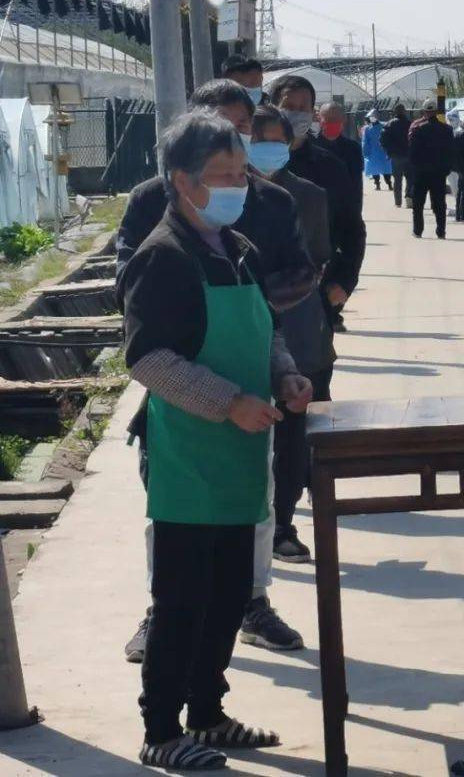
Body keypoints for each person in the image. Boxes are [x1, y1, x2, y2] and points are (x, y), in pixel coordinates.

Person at [121, 109, 313, 770]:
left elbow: (266, 332)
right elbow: (149, 360)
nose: (238, 185)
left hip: (238, 455)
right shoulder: (163, 259)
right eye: (223, 175)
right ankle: (161, 730)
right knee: (180, 604)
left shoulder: (239, 250)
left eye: (241, 173)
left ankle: (207, 715)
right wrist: (227, 403)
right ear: (182, 181)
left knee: (231, 595)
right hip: (189, 460)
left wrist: (286, 376)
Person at [247, 105, 337, 586]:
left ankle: (283, 522)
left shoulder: (305, 196)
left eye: (273, 138)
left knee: (293, 434)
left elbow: (316, 261)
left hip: (298, 328)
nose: (264, 147)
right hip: (238, 332)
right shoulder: (217, 196)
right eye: (254, 137)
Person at [270, 79, 365, 335]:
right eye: (289, 106)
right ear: (273, 108)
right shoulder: (251, 164)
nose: (296, 113)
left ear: (313, 113)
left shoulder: (329, 167)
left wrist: (344, 281)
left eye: (303, 107)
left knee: (314, 369)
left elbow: (352, 229)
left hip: (315, 295)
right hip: (261, 295)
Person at [408, 97, 454, 239]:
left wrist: (414, 169)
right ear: (436, 111)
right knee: (439, 203)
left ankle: (418, 230)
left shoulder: (418, 129)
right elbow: (450, 152)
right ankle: (441, 231)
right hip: (439, 173)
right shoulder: (447, 130)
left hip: (421, 173)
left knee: (418, 204)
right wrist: (446, 169)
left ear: (424, 112)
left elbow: (412, 153)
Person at [381, 103, 412, 207]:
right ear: (404, 111)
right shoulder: (410, 124)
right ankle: (409, 197)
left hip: (395, 156)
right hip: (408, 155)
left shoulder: (389, 124)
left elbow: (382, 140)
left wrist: (388, 151)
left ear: (395, 112)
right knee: (410, 178)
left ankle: (398, 202)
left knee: (397, 180)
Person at [362, 109, 393, 190]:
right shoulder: (384, 125)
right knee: (384, 169)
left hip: (375, 152)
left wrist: (365, 152)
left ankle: (383, 184)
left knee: (376, 169)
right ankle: (386, 184)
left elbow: (365, 142)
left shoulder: (368, 129)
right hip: (382, 151)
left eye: (372, 117)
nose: (371, 118)